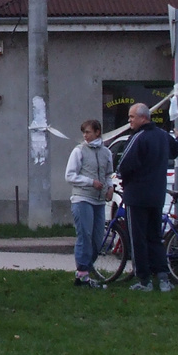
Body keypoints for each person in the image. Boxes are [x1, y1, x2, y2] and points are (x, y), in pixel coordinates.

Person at [117, 102, 178, 292]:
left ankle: (144, 280)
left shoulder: (138, 138)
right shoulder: (163, 136)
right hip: (157, 195)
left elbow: (123, 165)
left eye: (132, 117)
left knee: (138, 238)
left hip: (136, 196)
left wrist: (123, 179)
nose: (129, 120)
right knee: (155, 237)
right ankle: (163, 278)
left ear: (143, 118)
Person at [65, 118, 113, 288]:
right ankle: (82, 274)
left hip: (99, 200)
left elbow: (108, 174)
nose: (85, 135)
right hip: (82, 198)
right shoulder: (79, 151)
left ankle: (85, 269)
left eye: (88, 132)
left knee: (97, 239)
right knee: (84, 235)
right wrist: (90, 182)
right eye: (84, 132)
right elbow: (70, 175)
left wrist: (110, 187)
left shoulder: (106, 152)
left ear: (97, 132)